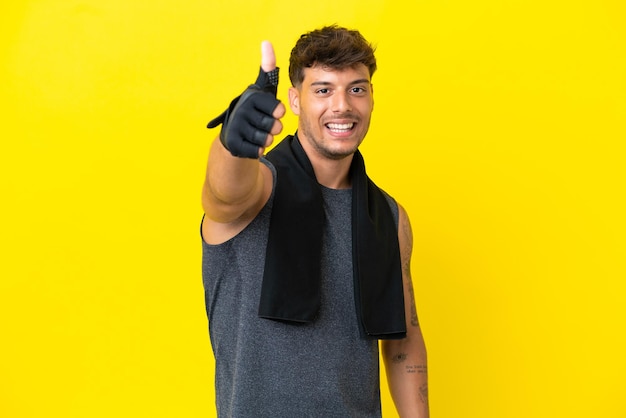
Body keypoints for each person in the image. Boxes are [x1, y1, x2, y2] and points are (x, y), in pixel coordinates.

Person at [201, 25, 429, 417]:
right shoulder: (260, 189)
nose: (341, 105)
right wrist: (232, 145)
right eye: (323, 90)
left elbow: (403, 341)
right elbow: (223, 196)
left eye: (357, 89)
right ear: (294, 99)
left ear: (372, 98)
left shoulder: (389, 218)